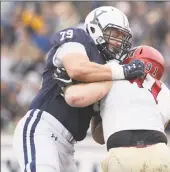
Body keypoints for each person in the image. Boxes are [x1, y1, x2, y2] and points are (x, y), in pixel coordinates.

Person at [12, 6, 145, 172]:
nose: (119, 41)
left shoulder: (107, 70)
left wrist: (125, 105)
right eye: (114, 33)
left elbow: (99, 136)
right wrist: (122, 72)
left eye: (122, 36)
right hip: (43, 129)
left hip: (68, 145)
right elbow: (77, 68)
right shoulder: (79, 38)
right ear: (96, 28)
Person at [61, 45, 170, 172]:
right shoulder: (166, 93)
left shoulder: (112, 75)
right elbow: (159, 128)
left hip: (123, 152)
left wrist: (98, 113)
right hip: (160, 153)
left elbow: (100, 137)